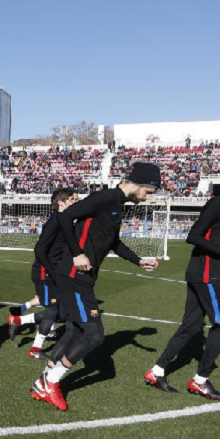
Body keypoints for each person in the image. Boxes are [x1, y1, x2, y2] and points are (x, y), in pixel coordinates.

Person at [30, 162, 161, 411]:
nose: (147, 198)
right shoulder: (106, 197)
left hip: (82, 277)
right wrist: (77, 253)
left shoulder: (117, 204)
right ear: (135, 184)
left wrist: (138, 260)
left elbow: (113, 242)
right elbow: (65, 216)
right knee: (94, 335)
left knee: (76, 333)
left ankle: (45, 379)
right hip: (73, 274)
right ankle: (50, 381)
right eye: (148, 192)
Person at [143, 162, 220, 400]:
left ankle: (157, 371)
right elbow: (194, 236)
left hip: (203, 273)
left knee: (191, 326)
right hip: (207, 276)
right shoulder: (219, 203)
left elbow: (215, 241)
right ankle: (201, 380)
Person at [7, 188, 78, 358]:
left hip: (54, 273)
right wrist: (52, 273)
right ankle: (36, 349)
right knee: (53, 311)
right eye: (73, 199)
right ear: (61, 202)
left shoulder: (66, 220)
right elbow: (39, 249)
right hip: (44, 273)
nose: (77, 202)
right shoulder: (55, 221)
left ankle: (19, 320)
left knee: (59, 311)